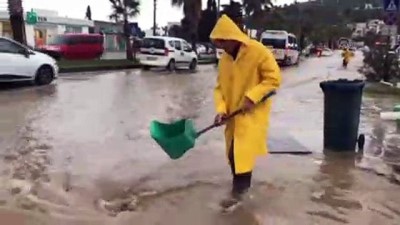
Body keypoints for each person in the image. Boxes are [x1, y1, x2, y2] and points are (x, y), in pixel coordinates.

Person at [209, 15, 281, 210]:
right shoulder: (224, 60)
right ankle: (241, 194)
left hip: (251, 115)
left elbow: (273, 79)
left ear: (232, 37)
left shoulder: (258, 52)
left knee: (241, 155)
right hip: (232, 117)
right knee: (233, 156)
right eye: (218, 44)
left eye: (222, 42)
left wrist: (252, 96)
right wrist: (221, 111)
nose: (221, 47)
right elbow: (219, 89)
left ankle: (238, 198)